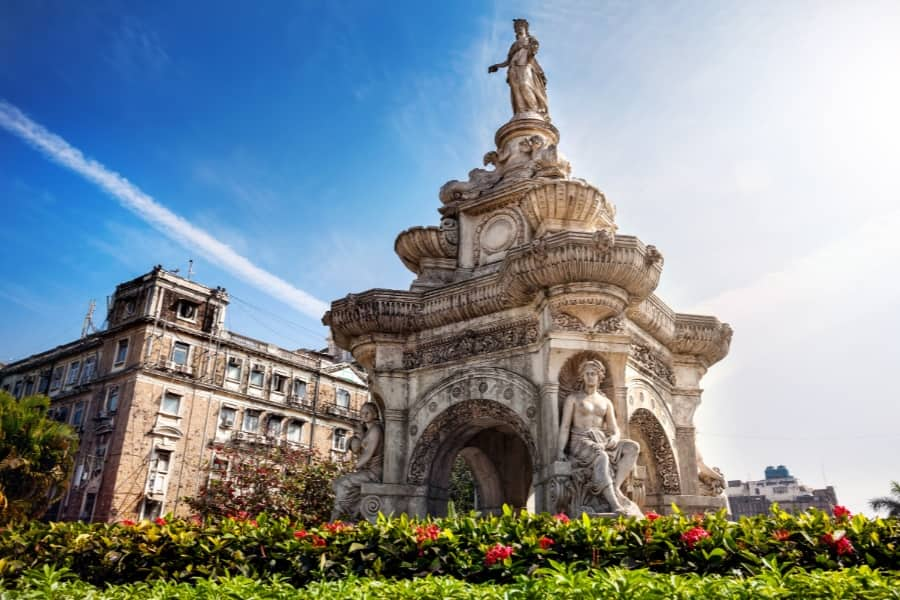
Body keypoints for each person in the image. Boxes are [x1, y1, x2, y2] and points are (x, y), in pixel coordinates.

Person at [557, 359, 639, 514]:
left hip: (602, 441)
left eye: (593, 374)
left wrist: (614, 439)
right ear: (582, 376)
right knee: (601, 456)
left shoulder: (606, 402)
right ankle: (614, 504)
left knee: (632, 447)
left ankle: (615, 487)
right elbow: (565, 427)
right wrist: (560, 451)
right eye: (587, 374)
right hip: (580, 440)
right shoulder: (573, 399)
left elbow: (614, 429)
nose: (590, 377)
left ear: (599, 376)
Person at [331, 401, 383, 520]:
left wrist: (355, 465)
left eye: (367, 412)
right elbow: (360, 446)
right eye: (362, 413)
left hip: (374, 473)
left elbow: (369, 453)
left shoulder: (376, 429)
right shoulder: (368, 430)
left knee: (343, 484)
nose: (364, 415)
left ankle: (337, 516)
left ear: (375, 414)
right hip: (367, 471)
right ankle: (352, 512)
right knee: (336, 484)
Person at [488, 19, 549, 118]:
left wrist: (533, 49)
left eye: (520, 27)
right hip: (513, 68)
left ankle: (533, 110)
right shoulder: (514, 45)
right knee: (516, 90)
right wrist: (497, 66)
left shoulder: (529, 39)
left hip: (525, 64)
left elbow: (534, 48)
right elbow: (508, 61)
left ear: (525, 29)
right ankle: (521, 111)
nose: (518, 29)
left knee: (525, 84)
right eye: (516, 28)